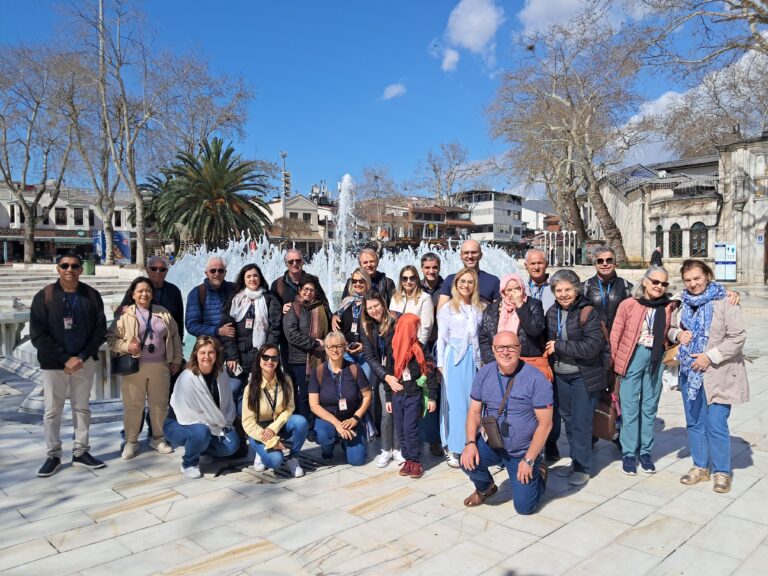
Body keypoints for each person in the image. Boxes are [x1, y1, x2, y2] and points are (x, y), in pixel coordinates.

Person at [671, 259, 748, 493]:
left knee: (716, 422)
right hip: (690, 372)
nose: (693, 283)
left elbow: (737, 337)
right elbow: (670, 328)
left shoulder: (725, 300)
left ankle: (722, 471)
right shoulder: (681, 302)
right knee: (695, 421)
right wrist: (677, 334)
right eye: (688, 280)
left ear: (707, 276)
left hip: (719, 373)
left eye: (697, 278)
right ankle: (700, 467)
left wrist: (709, 356)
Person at [30, 252, 108, 477]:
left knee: (82, 408)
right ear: (58, 269)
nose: (69, 270)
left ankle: (81, 452)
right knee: (52, 411)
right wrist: (65, 358)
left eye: (74, 266)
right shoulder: (44, 296)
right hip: (54, 364)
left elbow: (99, 331)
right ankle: (53, 455)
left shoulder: (91, 295)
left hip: (83, 363)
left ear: (81, 269)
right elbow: (38, 335)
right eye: (65, 265)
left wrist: (80, 357)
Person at [460, 331, 553, 514]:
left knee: (524, 508)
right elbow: (474, 412)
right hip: (494, 444)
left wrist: (529, 459)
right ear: (493, 350)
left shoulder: (536, 379)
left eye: (511, 347)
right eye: (500, 347)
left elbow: (546, 424)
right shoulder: (484, 373)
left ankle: (539, 473)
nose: (505, 352)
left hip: (522, 451)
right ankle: (485, 488)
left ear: (519, 349)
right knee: (467, 460)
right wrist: (470, 443)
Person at [107, 276, 183, 459]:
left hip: (160, 366)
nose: (144, 294)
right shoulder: (125, 315)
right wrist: (127, 347)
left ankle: (158, 438)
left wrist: (177, 359)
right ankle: (131, 441)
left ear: (152, 294)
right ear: (133, 294)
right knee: (133, 406)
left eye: (148, 291)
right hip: (134, 367)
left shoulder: (163, 313)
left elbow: (175, 336)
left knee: (159, 405)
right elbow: (111, 338)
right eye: (140, 291)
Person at [610, 266, 676, 475]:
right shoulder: (629, 304)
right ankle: (629, 453)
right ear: (645, 281)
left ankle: (645, 451)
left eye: (664, 283)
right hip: (632, 356)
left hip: (656, 358)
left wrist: (731, 294)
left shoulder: (669, 306)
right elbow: (615, 334)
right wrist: (614, 364)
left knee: (649, 407)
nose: (659, 286)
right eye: (655, 282)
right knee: (629, 407)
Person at [544, 269, 607, 486]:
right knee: (569, 422)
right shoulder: (552, 312)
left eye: (568, 289)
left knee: (581, 423)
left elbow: (592, 346)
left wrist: (559, 346)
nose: (563, 294)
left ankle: (583, 467)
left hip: (583, 375)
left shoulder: (588, 312)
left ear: (576, 289)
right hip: (561, 376)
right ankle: (575, 461)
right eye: (559, 290)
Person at [164, 336, 240, 479]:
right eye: (202, 352)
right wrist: (213, 426)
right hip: (179, 424)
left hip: (210, 422)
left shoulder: (221, 374)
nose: (207, 356)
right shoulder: (187, 378)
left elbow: (227, 402)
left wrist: (226, 424)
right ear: (195, 354)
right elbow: (188, 414)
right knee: (201, 432)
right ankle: (189, 463)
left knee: (232, 445)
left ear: (216, 354)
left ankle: (201, 449)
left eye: (211, 352)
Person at [436, 267, 484, 467]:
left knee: (472, 403)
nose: (466, 285)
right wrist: (440, 364)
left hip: (474, 358)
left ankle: (471, 442)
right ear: (456, 284)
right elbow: (441, 338)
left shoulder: (479, 308)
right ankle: (453, 446)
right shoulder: (448, 308)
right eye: (462, 281)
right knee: (456, 405)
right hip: (455, 357)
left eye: (470, 282)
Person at [242, 344, 308, 478]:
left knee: (300, 421)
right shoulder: (251, 387)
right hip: (259, 430)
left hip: (279, 424)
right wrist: (271, 440)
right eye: (265, 357)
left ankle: (293, 458)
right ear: (259, 359)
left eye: (274, 358)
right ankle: (260, 452)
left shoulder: (285, 380)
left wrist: (273, 428)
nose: (270, 361)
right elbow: (248, 422)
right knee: (275, 461)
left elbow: (290, 408)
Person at [219, 263, 282, 402]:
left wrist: (267, 353)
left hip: (261, 356)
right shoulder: (235, 299)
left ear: (260, 278)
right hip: (238, 357)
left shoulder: (270, 298)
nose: (252, 279)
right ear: (243, 279)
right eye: (248, 276)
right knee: (232, 391)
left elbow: (275, 328)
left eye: (255, 276)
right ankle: (233, 416)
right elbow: (227, 330)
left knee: (258, 395)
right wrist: (232, 356)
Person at [309, 332, 372, 465]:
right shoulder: (318, 372)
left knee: (357, 461)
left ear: (344, 347)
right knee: (323, 435)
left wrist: (355, 418)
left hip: (351, 419)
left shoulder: (355, 369)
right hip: (328, 419)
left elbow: (367, 395)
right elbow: (314, 405)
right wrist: (337, 424)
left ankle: (346, 442)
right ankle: (328, 448)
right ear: (325, 349)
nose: (334, 350)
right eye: (330, 347)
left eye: (338, 346)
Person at [387, 313, 438, 479]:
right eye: (414, 327)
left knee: (410, 429)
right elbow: (388, 374)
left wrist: (432, 397)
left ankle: (415, 461)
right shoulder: (393, 348)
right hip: (397, 395)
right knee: (401, 430)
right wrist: (388, 398)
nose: (416, 330)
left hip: (413, 395)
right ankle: (408, 459)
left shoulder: (420, 348)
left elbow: (430, 371)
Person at [523, 248, 559, 461]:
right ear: (526, 266)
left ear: (546, 264)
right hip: (529, 350)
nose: (536, 267)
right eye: (532, 263)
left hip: (551, 347)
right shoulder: (520, 287)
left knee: (551, 399)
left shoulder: (555, 287)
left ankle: (551, 441)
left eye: (540, 263)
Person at [360, 290, 403, 468]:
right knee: (387, 410)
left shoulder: (396, 319)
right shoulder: (366, 326)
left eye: (376, 305)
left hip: (401, 371)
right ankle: (386, 449)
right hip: (383, 374)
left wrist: (396, 374)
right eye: (369, 308)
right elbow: (370, 357)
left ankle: (398, 448)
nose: (374, 310)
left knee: (399, 410)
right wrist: (386, 376)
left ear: (383, 304)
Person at [282, 278, 332, 431]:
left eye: (312, 290)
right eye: (305, 289)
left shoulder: (322, 307)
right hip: (301, 359)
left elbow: (330, 327)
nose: (308, 293)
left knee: (320, 392)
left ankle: (319, 425)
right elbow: (291, 334)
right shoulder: (293, 308)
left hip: (320, 357)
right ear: (300, 290)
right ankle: (306, 426)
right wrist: (314, 343)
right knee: (305, 394)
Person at [478, 273, 546, 369]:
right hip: (499, 363)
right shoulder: (491, 309)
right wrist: (493, 363)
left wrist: (520, 305)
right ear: (503, 291)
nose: (513, 293)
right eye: (509, 290)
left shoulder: (533, 305)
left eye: (517, 289)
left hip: (526, 363)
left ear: (522, 289)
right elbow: (484, 339)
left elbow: (535, 330)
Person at [119, 256, 185, 342]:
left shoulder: (174, 291)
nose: (158, 272)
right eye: (154, 268)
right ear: (147, 270)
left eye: (162, 269)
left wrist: (179, 340)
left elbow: (179, 319)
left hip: (167, 340)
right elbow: (120, 313)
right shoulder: (137, 288)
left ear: (167, 271)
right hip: (140, 340)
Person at [419, 252, 445, 456]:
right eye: (427, 267)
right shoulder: (415, 287)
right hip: (421, 346)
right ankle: (428, 436)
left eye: (434, 267)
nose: (431, 271)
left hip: (441, 345)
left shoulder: (447, 288)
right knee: (425, 389)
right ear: (422, 269)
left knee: (440, 390)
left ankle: (440, 437)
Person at [333, 267, 372, 379]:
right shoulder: (347, 301)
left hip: (366, 353)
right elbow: (339, 322)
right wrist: (334, 316)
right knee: (348, 385)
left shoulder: (372, 301)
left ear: (367, 282)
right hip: (347, 352)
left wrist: (365, 346)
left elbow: (378, 327)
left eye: (361, 281)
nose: (357, 284)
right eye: (354, 281)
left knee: (366, 385)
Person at [583, 246, 633, 332]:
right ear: (594, 264)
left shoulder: (627, 287)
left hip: (618, 335)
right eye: (600, 261)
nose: (605, 264)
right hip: (594, 337)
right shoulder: (585, 287)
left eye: (609, 260)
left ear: (615, 263)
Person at [437, 239, 500, 309]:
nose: (470, 256)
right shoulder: (450, 280)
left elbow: (497, 311)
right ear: (461, 256)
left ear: (481, 255)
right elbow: (441, 310)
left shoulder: (493, 281)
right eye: (466, 253)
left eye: (474, 252)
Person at [185, 255, 235, 340]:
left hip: (231, 345)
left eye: (220, 270)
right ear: (206, 273)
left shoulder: (234, 289)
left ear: (225, 272)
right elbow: (191, 325)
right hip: (208, 344)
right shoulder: (197, 293)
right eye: (212, 271)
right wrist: (217, 331)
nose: (217, 274)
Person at [388, 265, 434, 346]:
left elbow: (427, 326)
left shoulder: (425, 298)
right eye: (405, 278)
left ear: (417, 279)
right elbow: (391, 321)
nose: (408, 281)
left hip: (414, 343)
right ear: (401, 280)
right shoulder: (395, 297)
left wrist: (419, 345)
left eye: (412, 278)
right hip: (397, 342)